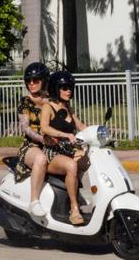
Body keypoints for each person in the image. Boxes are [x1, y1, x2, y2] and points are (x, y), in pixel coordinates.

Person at [40, 70, 89, 226]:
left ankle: (74, 192)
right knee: (72, 165)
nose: (69, 91)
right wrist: (65, 135)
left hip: (68, 150)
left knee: (88, 161)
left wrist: (100, 133)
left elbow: (80, 126)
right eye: (64, 87)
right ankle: (74, 209)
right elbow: (44, 128)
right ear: (56, 89)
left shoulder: (68, 107)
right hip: (52, 152)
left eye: (70, 87)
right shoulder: (48, 107)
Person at [14, 62, 51, 217]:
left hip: (53, 145)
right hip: (31, 146)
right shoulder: (25, 102)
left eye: (35, 80)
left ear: (43, 81)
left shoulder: (52, 100)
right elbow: (26, 128)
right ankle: (34, 201)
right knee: (41, 159)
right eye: (29, 81)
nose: (31, 84)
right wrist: (44, 139)